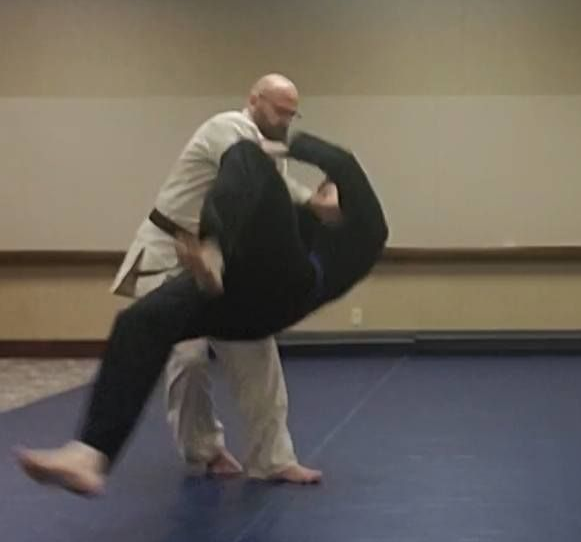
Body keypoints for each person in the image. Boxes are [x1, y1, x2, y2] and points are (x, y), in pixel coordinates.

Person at [16, 130, 389, 497]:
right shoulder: (303, 218)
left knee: (246, 154)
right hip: (237, 299)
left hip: (292, 286)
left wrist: (285, 145)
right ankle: (90, 454)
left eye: (328, 188)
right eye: (319, 189)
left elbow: (343, 163)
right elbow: (245, 205)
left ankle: (213, 250)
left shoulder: (367, 230)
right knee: (141, 321)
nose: (320, 193)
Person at [111, 73, 333, 483]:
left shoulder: (268, 151)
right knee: (188, 357)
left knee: (257, 351)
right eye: (279, 110)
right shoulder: (226, 127)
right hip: (174, 253)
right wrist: (314, 175)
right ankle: (205, 450)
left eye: (292, 114)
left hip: (223, 262)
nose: (285, 120)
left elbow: (274, 181)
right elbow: (245, 160)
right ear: (254, 99)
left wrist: (314, 204)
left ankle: (273, 458)